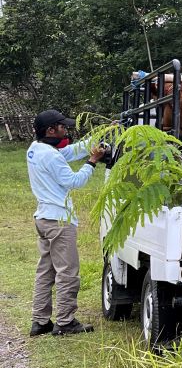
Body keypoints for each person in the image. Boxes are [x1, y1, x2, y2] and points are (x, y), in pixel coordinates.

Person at [27, 109, 105, 336]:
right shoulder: (50, 156)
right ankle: (65, 321)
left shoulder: (35, 149)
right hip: (59, 221)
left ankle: (40, 321)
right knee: (68, 272)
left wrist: (98, 138)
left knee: (46, 271)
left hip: (43, 218)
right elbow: (74, 181)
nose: (66, 130)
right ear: (51, 130)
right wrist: (92, 161)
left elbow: (68, 151)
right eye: (62, 127)